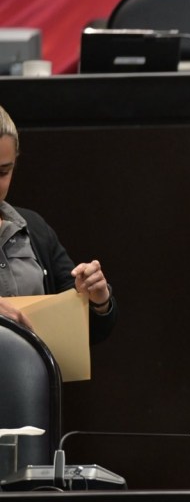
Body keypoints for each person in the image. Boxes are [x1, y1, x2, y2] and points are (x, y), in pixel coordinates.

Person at [0, 104, 117, 343]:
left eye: (3, 172)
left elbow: (90, 332)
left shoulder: (34, 228)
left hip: (31, 377)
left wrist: (98, 299)